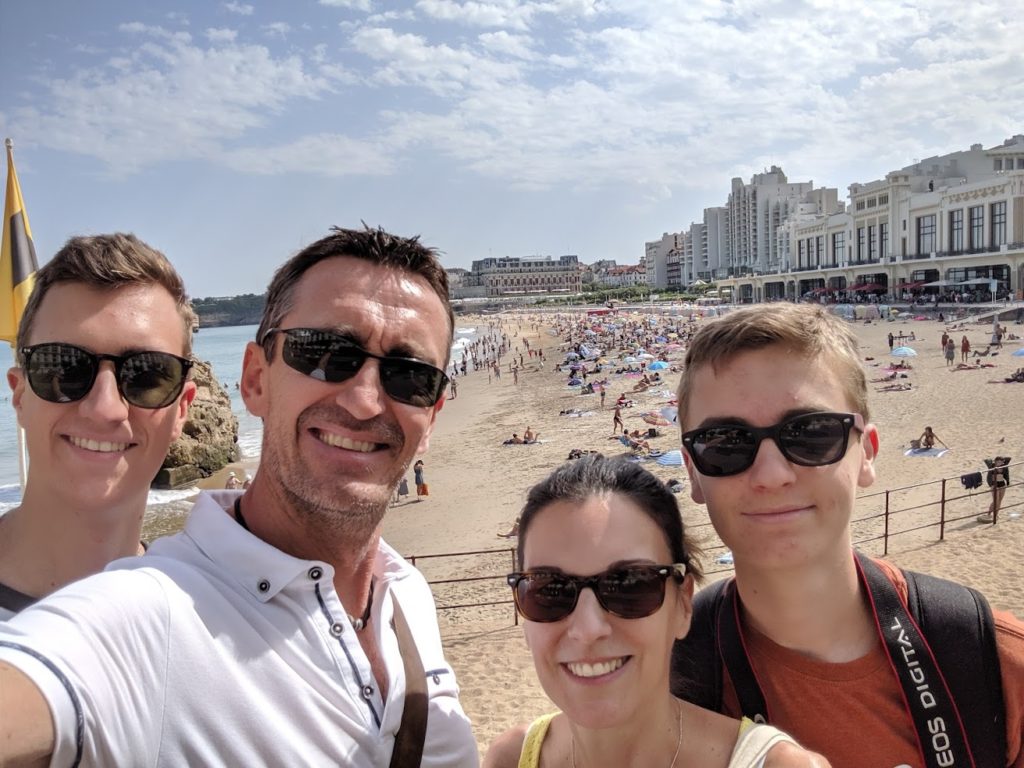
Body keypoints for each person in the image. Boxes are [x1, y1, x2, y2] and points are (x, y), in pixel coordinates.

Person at [0, 226, 478, 766]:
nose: (366, 402)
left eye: (410, 375)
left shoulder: (406, 594)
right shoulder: (151, 612)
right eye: (325, 353)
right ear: (254, 380)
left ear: (432, 415)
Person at [669, 303, 1024, 767]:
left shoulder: (991, 664)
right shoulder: (661, 680)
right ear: (692, 471)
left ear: (867, 454)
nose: (772, 475)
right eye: (725, 443)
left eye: (811, 433)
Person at [484, 455, 828, 768]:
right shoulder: (511, 759)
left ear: (683, 605)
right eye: (549, 590)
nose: (588, 628)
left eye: (630, 585)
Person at [0, 233, 197, 620]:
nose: (105, 409)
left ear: (182, 409)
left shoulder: (203, 620)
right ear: (20, 394)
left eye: (147, 374)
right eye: (64, 366)